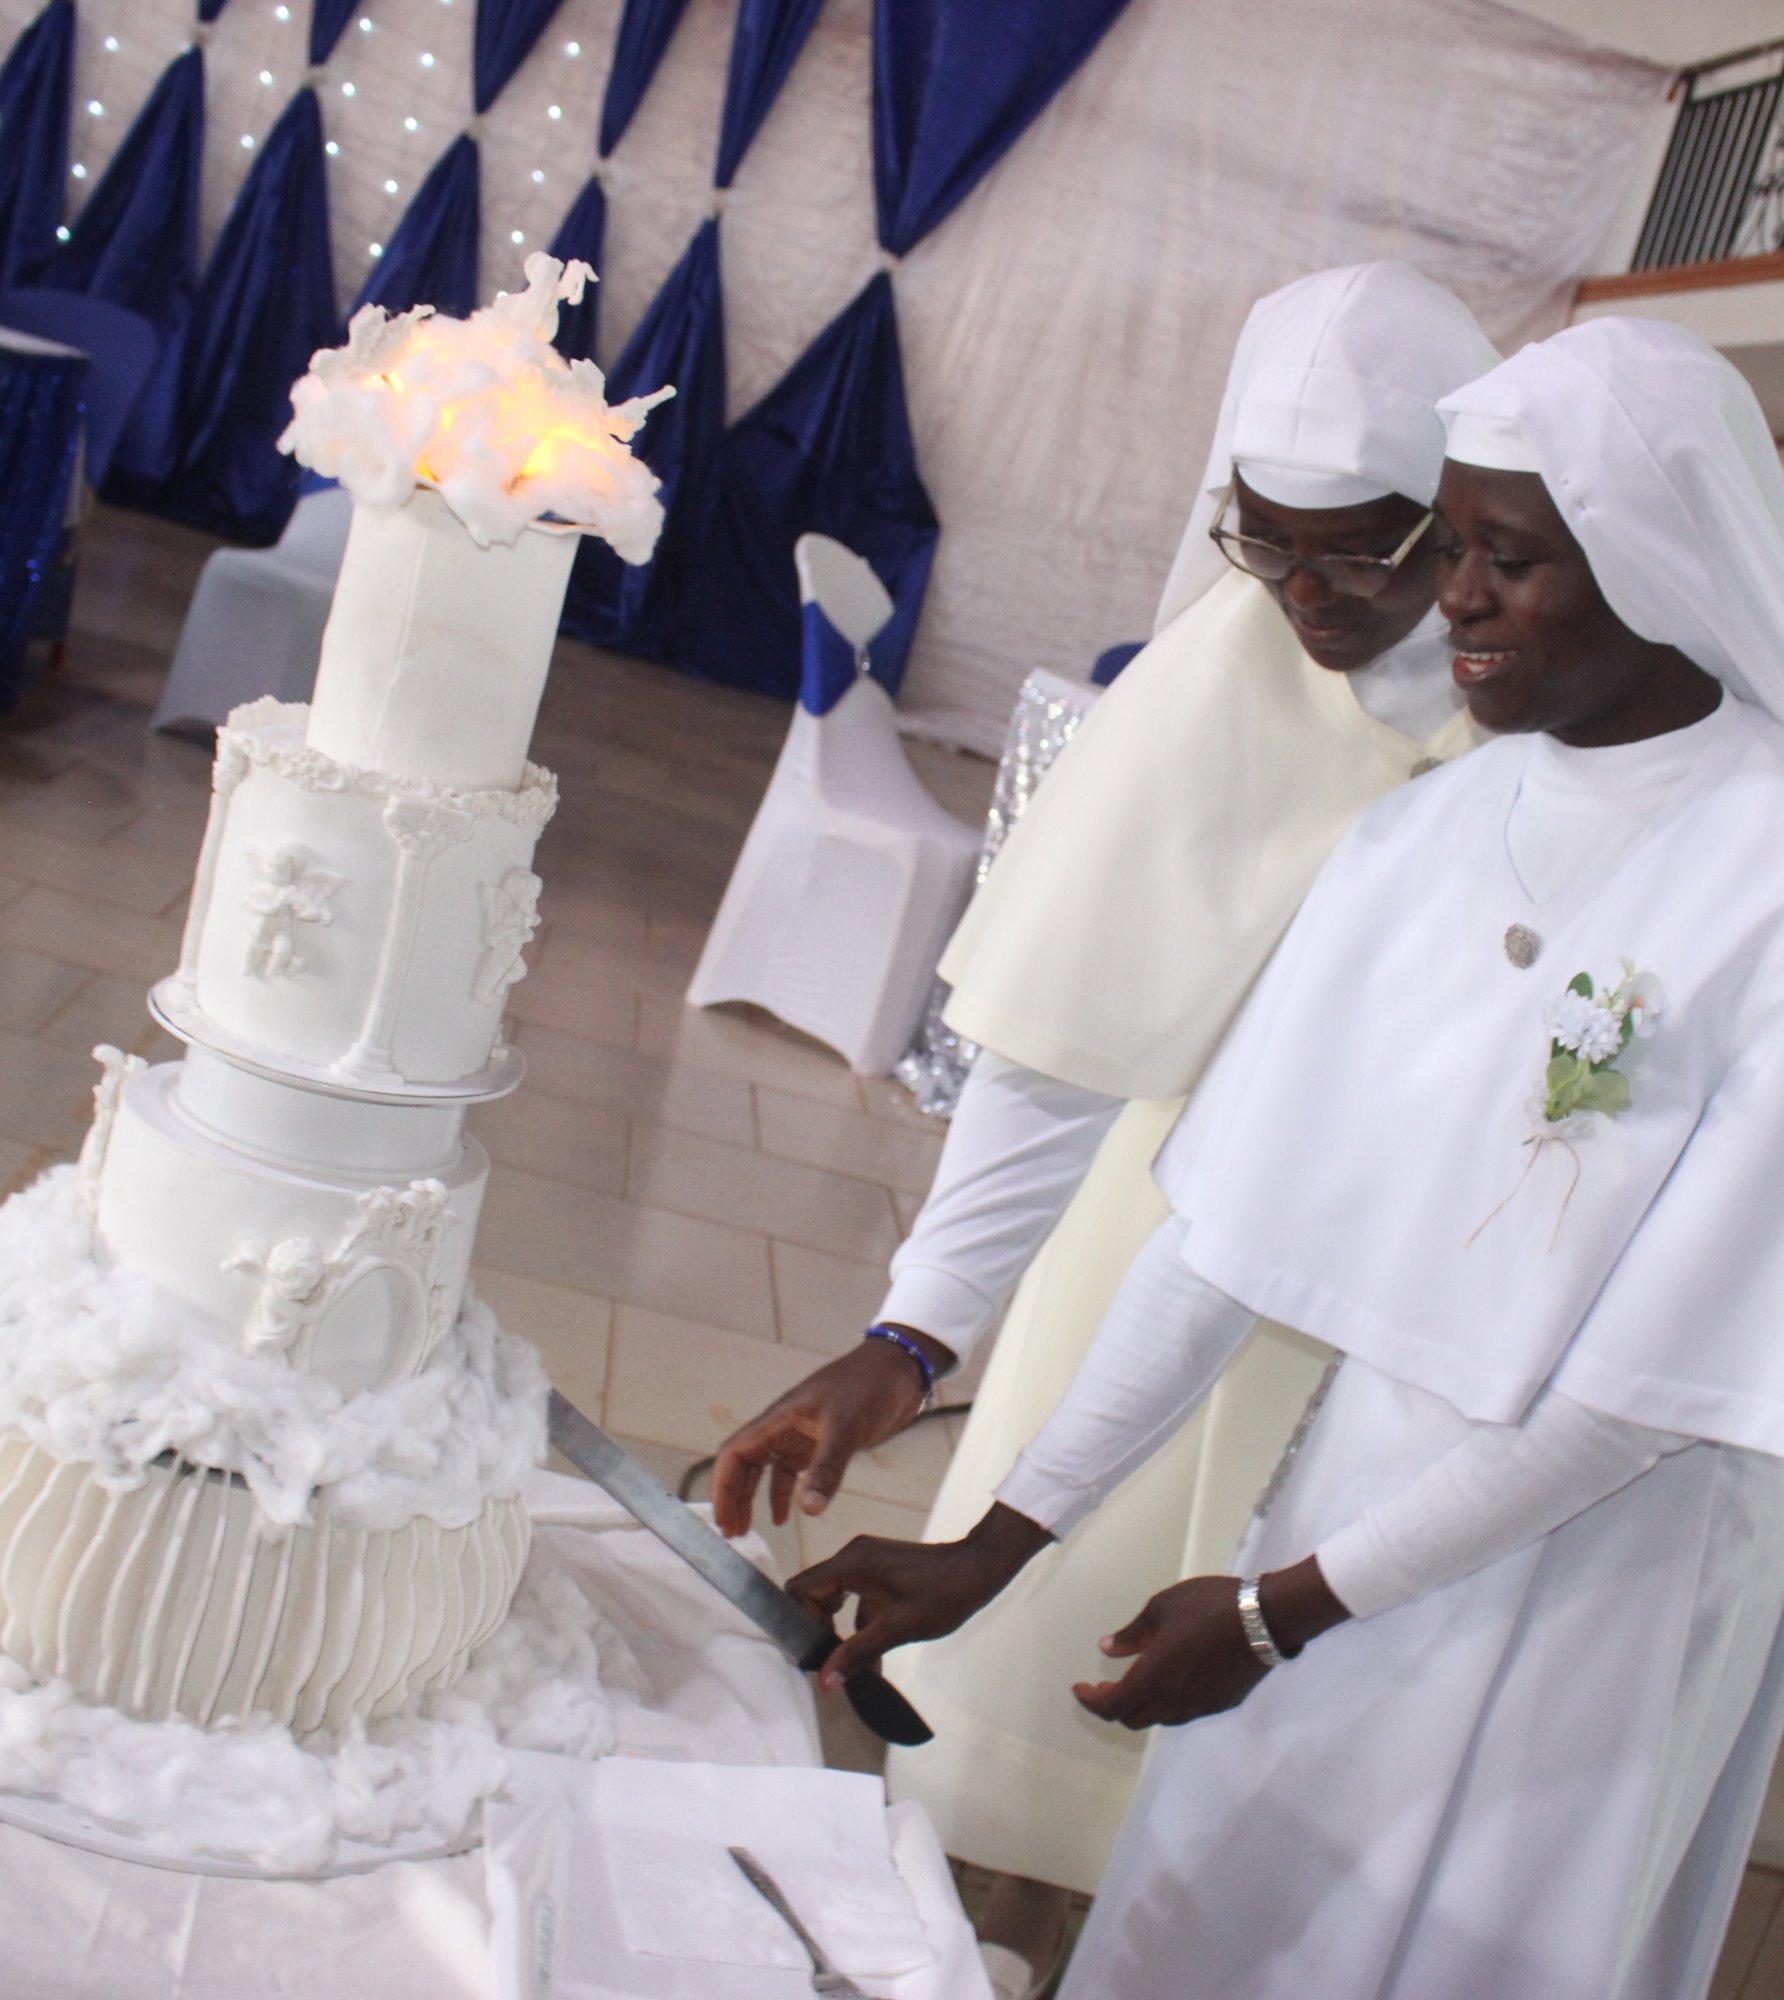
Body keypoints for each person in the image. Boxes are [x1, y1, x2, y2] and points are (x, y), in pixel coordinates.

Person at [786, 318, 1784, 1999]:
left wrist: (1282, 1611)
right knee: (1214, 1937)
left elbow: (1652, 1395)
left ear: (1654, 561)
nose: (1457, 599)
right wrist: (999, 1542)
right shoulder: (1423, 836)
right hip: (1351, 1504)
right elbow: (1226, 1241)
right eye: (1456, 546)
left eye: (1508, 557)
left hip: (1613, 1565)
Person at [704, 264, 1498, 1983]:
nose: (1308, 595)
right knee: (1044, 1713)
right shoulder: (1216, 684)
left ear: (1459, 517)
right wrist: (912, 1337)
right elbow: (1058, 1054)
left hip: (1401, 1313)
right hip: (1157, 1252)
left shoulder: (1546, 708)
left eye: (1361, 552)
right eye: (1266, 543)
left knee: (1283, 1804)